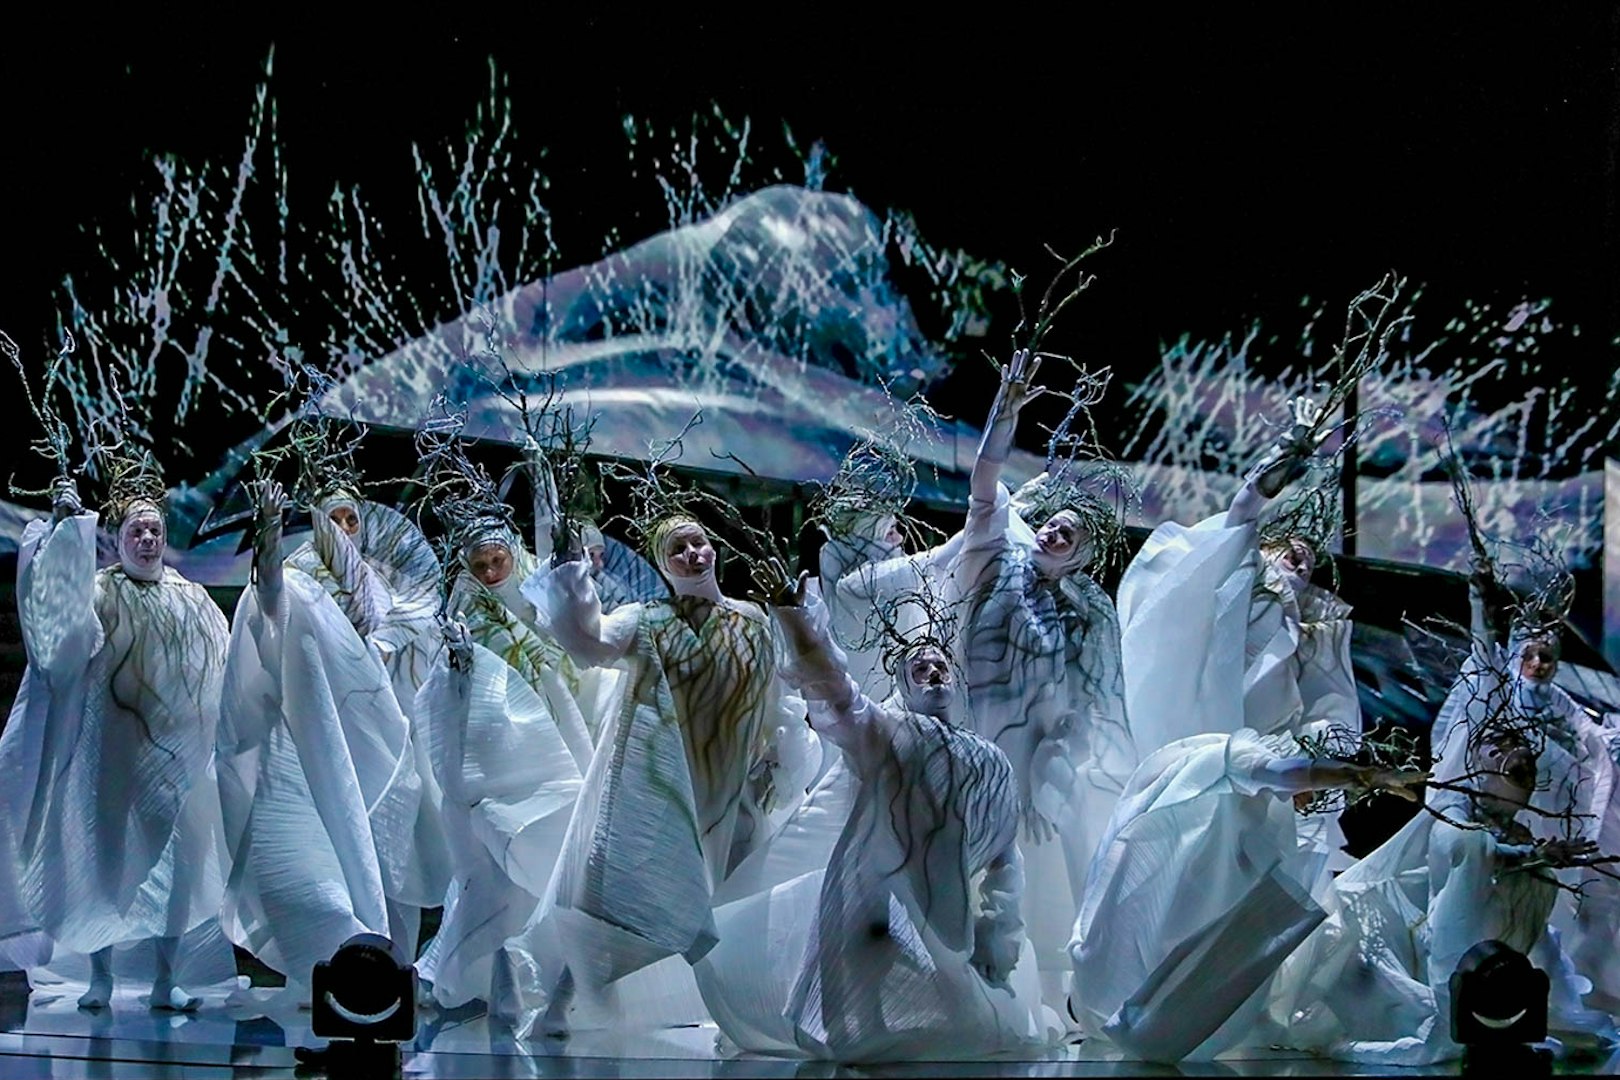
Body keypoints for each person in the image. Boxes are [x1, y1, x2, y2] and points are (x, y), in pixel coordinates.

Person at [692, 560, 1058, 1062]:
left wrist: (1001, 930)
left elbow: (1004, 855)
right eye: (919, 668)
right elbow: (838, 695)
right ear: (904, 686)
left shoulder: (986, 758)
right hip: (875, 898)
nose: (933, 672)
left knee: (966, 1019)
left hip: (945, 915)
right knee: (864, 989)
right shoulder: (887, 732)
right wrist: (800, 623)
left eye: (940, 665)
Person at [511, 511, 816, 1037]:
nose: (693, 554)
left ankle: (745, 1015)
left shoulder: (752, 621)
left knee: (733, 901)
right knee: (611, 895)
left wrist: (777, 761)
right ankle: (565, 998)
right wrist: (569, 574)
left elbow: (776, 699)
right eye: (678, 549)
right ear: (663, 564)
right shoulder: (647, 618)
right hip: (656, 785)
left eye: (698, 543)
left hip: (731, 785)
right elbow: (589, 644)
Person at [942, 347, 1136, 1003]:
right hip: (970, 732)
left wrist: (1045, 786)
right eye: (1055, 524)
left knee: (1032, 871)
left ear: (1083, 556)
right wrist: (1006, 409)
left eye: (1072, 536)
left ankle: (1036, 995)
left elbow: (1077, 715)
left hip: (1029, 762)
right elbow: (985, 481)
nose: (1057, 534)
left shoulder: (1080, 617)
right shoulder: (1003, 552)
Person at [0, 465, 230, 1011]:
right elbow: (57, 629)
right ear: (119, 539)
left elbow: (219, 664)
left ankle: (164, 980)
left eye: (154, 531)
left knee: (176, 871)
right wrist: (61, 540)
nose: (147, 540)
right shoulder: (98, 591)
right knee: (102, 864)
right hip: (108, 755)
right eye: (136, 532)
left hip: (176, 759)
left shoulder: (192, 598)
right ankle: (99, 975)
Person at [1069, 727, 1424, 1061]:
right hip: (1181, 890)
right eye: (1313, 790)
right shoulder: (1244, 756)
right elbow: (1285, 773)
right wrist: (1357, 774)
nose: (1308, 801)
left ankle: (1157, 1014)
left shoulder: (1260, 796)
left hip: (1197, 897)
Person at [1279, 729, 1617, 1065]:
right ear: (1476, 766)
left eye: (1522, 761)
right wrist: (1528, 857)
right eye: (1497, 749)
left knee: (1538, 883)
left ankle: (1506, 999)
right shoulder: (1454, 812)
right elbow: (1462, 847)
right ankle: (1454, 1004)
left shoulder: (1519, 833)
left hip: (1488, 945)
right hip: (1432, 939)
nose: (1510, 757)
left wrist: (1533, 861)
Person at [216, 478, 422, 996]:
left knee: (376, 851)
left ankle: (381, 970)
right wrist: (267, 533)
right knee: (321, 855)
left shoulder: (376, 581)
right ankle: (326, 965)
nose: (344, 528)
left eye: (352, 519)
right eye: (334, 518)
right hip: (313, 731)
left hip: (370, 728)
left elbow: (396, 635)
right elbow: (269, 600)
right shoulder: (299, 575)